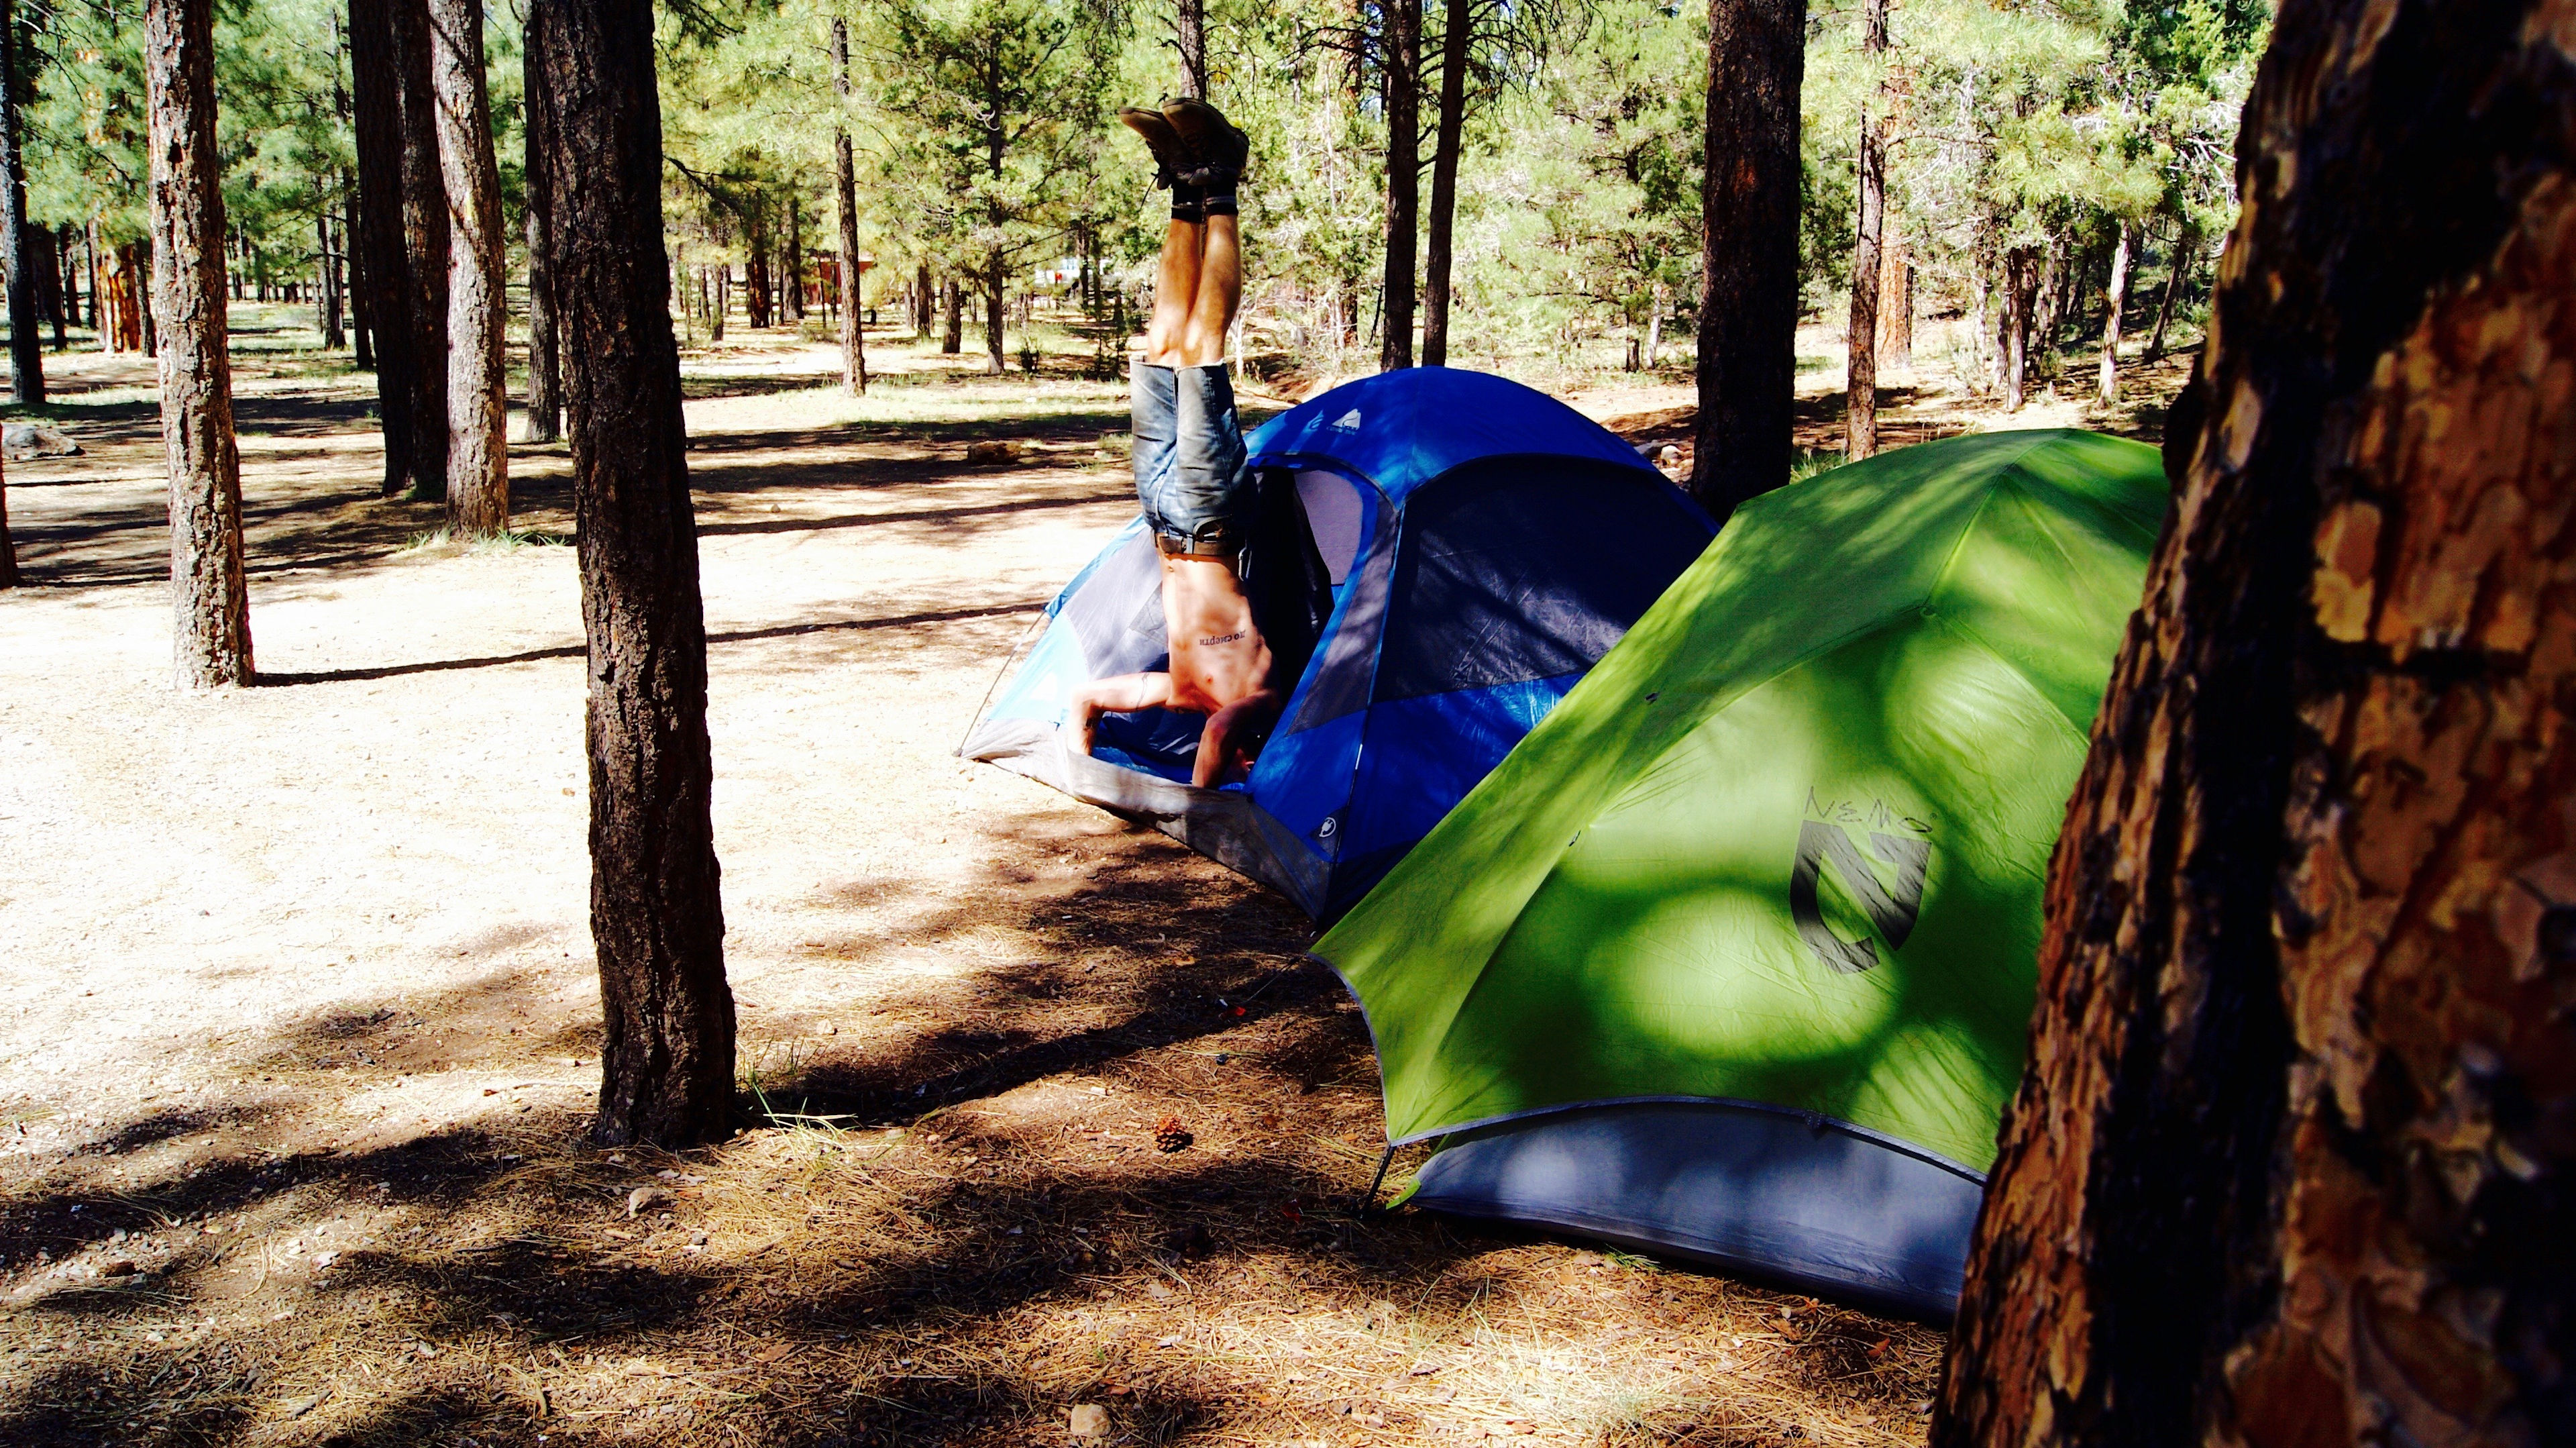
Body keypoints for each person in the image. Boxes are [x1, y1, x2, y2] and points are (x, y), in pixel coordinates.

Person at [1070, 98, 1287, 788]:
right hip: (1211, 519)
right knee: (1201, 348)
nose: (1240, 763)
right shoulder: (1261, 700)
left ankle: (1185, 186)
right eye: (1250, 766)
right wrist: (1199, 801)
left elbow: (1088, 700)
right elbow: (1223, 737)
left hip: (1164, 521)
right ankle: (1222, 177)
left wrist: (1081, 765)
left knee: (1157, 347)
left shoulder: (1184, 694)